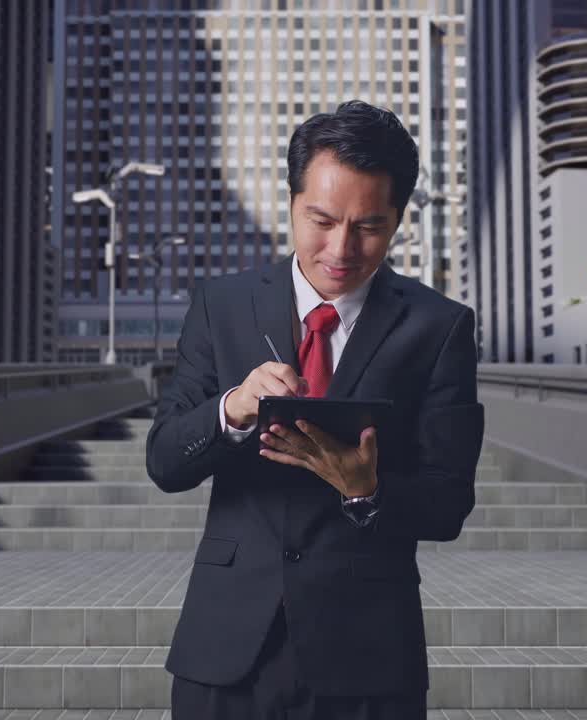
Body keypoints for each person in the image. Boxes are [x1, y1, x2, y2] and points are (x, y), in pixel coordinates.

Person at [145, 99, 484, 719]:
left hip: (368, 657)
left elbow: (448, 502)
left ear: (400, 218)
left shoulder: (439, 327)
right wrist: (233, 408)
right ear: (292, 201)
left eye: (370, 226)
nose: (341, 248)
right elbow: (166, 461)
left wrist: (367, 490)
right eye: (321, 220)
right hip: (225, 648)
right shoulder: (222, 305)